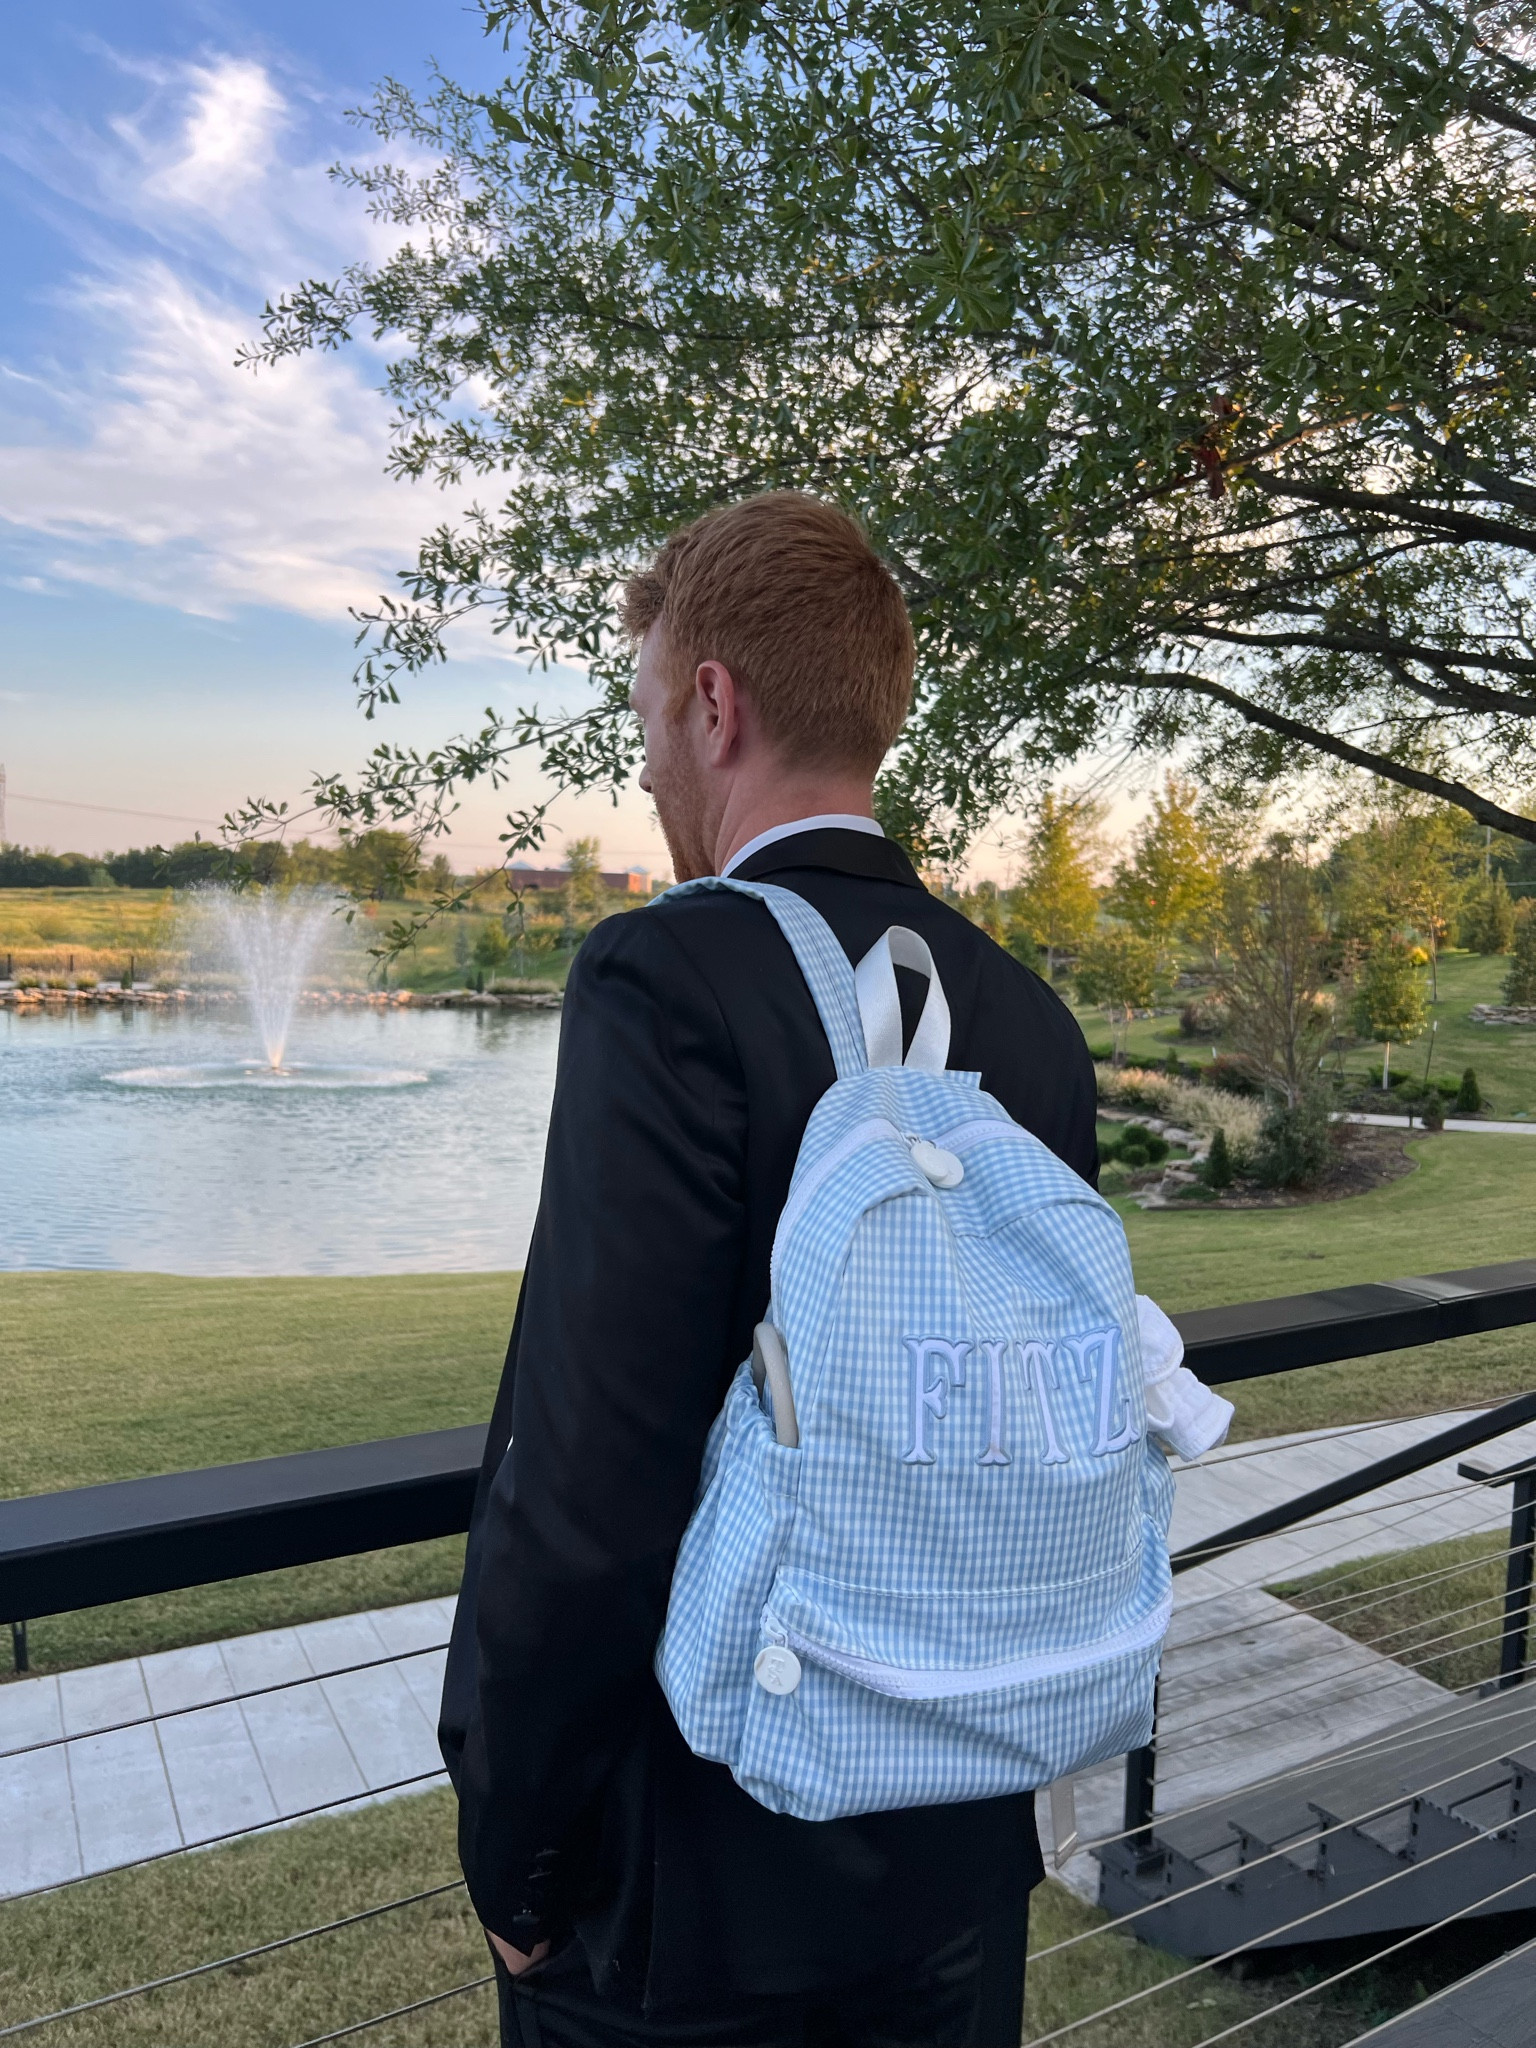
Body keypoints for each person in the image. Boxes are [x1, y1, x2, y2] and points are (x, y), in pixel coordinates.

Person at [439, 492, 1100, 2047]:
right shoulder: (1030, 1021)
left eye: (653, 718)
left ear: (715, 702)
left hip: (694, 1908)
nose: (651, 764)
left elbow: (589, 1478)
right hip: (957, 1863)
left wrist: (516, 1853)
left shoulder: (664, 976)